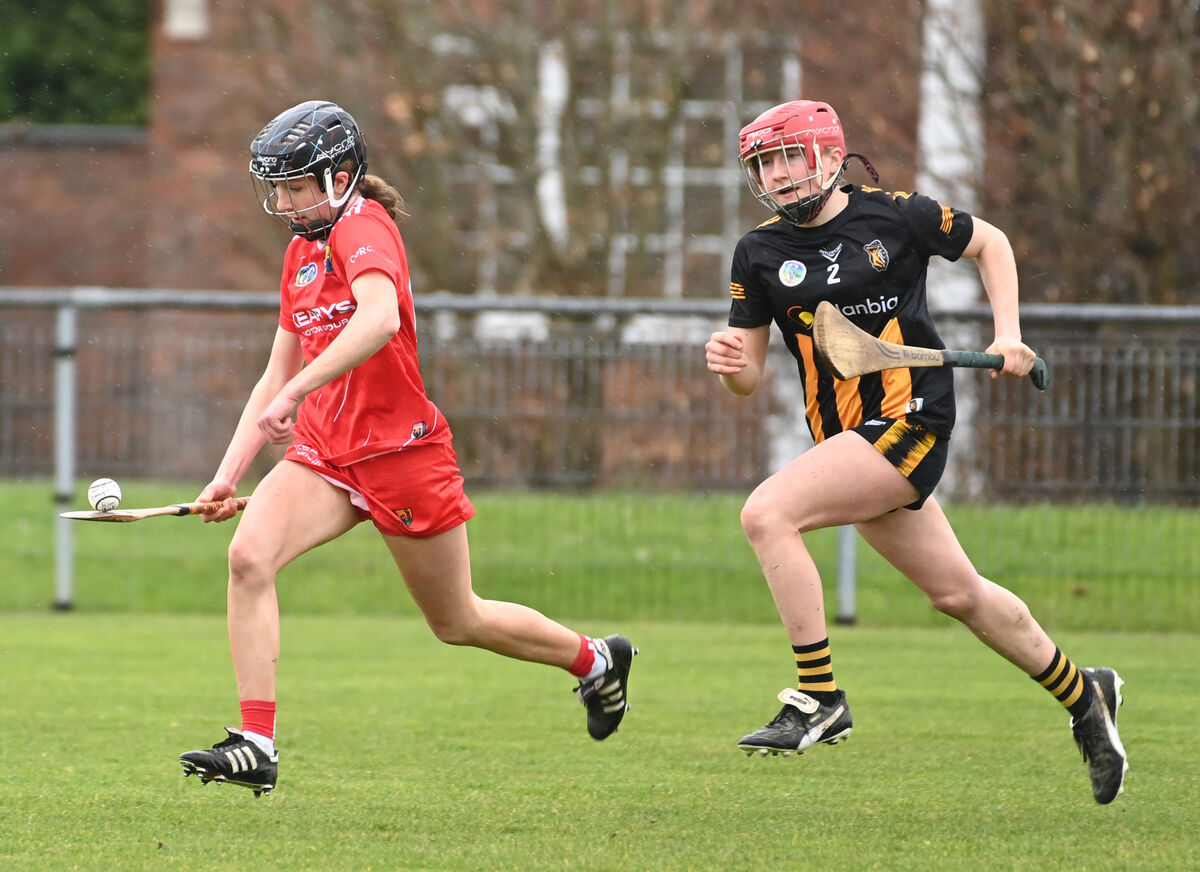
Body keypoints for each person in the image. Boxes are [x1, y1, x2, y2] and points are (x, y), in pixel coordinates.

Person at [179, 100, 635, 797]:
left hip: (401, 453)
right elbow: (272, 375)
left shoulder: (365, 226)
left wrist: (295, 391)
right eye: (277, 188)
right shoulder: (299, 254)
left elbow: (379, 319)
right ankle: (256, 744)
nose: (283, 203)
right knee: (248, 557)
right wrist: (226, 474)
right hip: (326, 452)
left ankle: (596, 661)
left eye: (295, 187)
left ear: (339, 178)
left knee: (457, 620)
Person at [704, 99, 1127, 805]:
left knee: (767, 513)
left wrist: (1008, 333)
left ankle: (820, 698)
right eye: (764, 164)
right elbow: (746, 376)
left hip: (911, 421)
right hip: (847, 444)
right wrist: (729, 364)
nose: (776, 175)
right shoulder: (759, 253)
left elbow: (992, 243)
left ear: (830, 156)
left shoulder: (897, 216)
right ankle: (1087, 694)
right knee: (959, 594)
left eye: (788, 157)